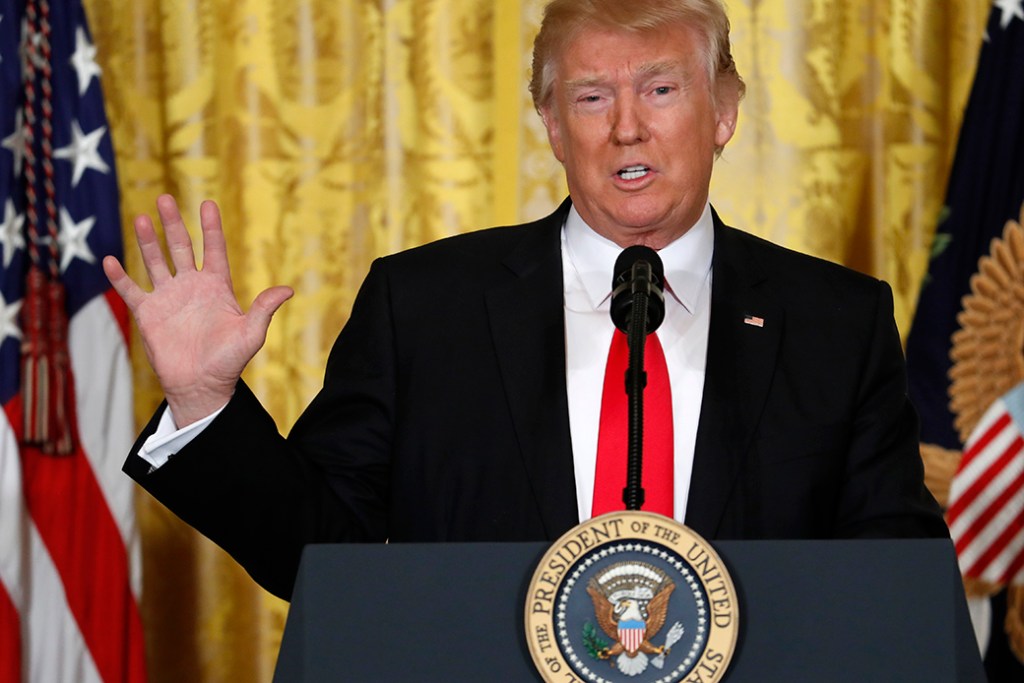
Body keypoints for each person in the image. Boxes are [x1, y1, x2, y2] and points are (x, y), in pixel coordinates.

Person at [103, 0, 947, 601]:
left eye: (660, 89)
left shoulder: (838, 322)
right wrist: (205, 402)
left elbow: (891, 584)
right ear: (550, 123)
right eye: (589, 97)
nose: (626, 127)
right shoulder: (423, 307)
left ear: (723, 111)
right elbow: (323, 559)